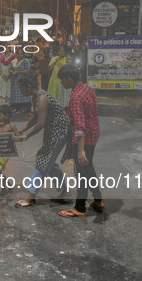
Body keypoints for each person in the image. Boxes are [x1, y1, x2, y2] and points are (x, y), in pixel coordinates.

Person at [13, 74, 70, 207]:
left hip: (60, 131)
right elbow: (35, 117)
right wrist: (23, 129)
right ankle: (64, 189)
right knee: (48, 161)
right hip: (52, 131)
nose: (21, 92)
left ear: (29, 87)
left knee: (43, 160)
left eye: (22, 89)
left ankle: (30, 197)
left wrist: (27, 136)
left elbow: (40, 123)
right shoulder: (35, 97)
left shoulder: (43, 98)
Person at [57, 65, 104, 217]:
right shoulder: (86, 87)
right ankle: (98, 200)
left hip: (84, 138)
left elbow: (80, 126)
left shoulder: (76, 97)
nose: (61, 83)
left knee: (82, 172)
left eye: (62, 80)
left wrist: (80, 150)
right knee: (88, 169)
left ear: (69, 79)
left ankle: (80, 207)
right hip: (94, 132)